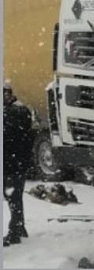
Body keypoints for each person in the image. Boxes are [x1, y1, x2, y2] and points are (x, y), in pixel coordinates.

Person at [3, 82, 34, 247]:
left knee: (13, 197)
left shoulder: (17, 111)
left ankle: (15, 232)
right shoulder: (13, 110)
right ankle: (19, 228)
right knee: (14, 197)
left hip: (14, 162)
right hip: (14, 161)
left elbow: (12, 136)